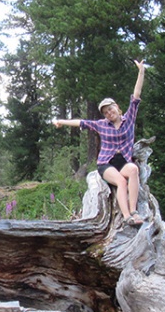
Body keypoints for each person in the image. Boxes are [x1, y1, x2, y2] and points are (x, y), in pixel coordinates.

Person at [52, 59, 147, 226]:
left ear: (117, 107)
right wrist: (61, 121)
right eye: (105, 112)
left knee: (133, 170)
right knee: (121, 181)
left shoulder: (129, 119)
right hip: (106, 163)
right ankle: (127, 217)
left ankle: (134, 211)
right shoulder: (101, 125)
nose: (109, 113)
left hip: (123, 161)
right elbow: (81, 122)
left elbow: (136, 95)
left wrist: (141, 71)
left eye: (110, 109)